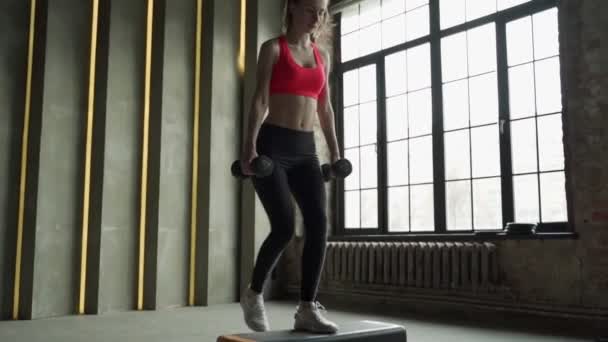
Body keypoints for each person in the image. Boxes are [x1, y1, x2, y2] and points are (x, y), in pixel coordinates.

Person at [238, 0, 340, 335]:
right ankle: (254, 294)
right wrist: (249, 148)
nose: (318, 17)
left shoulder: (321, 57)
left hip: (305, 150)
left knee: (318, 224)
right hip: (273, 147)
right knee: (283, 226)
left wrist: (336, 155)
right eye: (311, 9)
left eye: (322, 11)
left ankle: (307, 308)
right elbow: (260, 99)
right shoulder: (273, 49)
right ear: (293, 8)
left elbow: (325, 109)